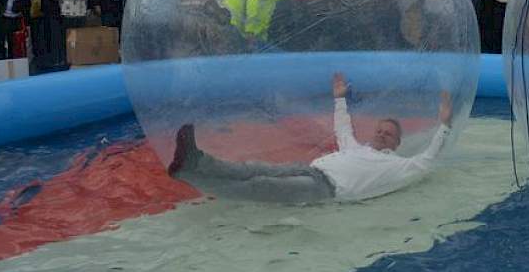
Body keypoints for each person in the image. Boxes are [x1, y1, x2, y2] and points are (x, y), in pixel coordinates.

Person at [169, 72, 454, 203]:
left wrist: (443, 124)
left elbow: (428, 161)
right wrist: (339, 99)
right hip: (312, 169)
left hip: (326, 189)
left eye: (388, 133)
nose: (380, 133)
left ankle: (193, 175)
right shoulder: (356, 148)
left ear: (396, 143)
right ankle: (197, 161)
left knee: (261, 184)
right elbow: (343, 128)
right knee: (251, 168)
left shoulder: (398, 166)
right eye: (380, 129)